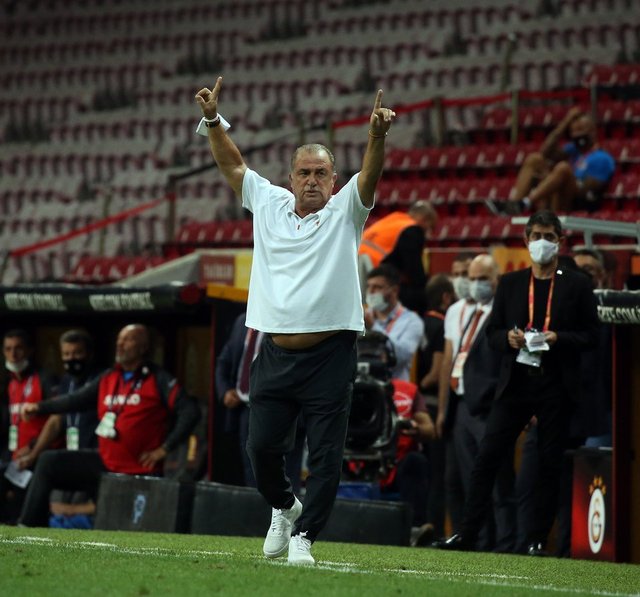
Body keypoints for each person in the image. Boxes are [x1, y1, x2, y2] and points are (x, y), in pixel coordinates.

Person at [195, 77, 396, 565]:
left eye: (320, 173)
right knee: (260, 448)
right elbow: (233, 165)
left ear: (334, 180)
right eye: (304, 172)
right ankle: (285, 507)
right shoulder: (267, 203)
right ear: (290, 178)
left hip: (331, 354)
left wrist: (375, 137)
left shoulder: (347, 211)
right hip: (275, 352)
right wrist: (214, 121)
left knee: (326, 454)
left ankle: (305, 536)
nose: (311, 180)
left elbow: (369, 177)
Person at [434, 210, 600, 556]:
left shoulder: (577, 284)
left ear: (560, 241)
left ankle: (536, 539)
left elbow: (591, 336)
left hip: (556, 385)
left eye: (549, 236)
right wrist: (508, 339)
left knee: (549, 465)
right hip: (516, 384)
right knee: (487, 457)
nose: (542, 242)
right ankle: (467, 533)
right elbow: (492, 333)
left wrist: (558, 337)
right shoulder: (511, 284)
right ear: (526, 240)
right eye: (536, 235)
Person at [18, 324, 201, 527]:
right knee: (48, 461)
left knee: (126, 531)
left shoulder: (158, 378)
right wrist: (39, 407)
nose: (120, 345)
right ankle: (28, 527)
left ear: (143, 347)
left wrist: (164, 449)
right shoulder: (109, 377)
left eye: (127, 340)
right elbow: (74, 400)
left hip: (139, 470)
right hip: (105, 462)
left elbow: (190, 412)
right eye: (118, 340)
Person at [442, 254, 516, 552]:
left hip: (489, 404)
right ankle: (479, 540)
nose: (475, 284)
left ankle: (507, 542)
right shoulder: (468, 312)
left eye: (482, 279)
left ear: (497, 280)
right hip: (462, 402)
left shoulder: (506, 311)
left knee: (498, 479)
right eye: (472, 278)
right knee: (470, 479)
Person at [16, 329, 100, 527]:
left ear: (89, 354)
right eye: (67, 354)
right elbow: (55, 421)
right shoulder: (66, 382)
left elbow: (75, 401)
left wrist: (39, 407)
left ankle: (28, 525)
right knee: (54, 502)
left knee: (81, 510)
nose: (72, 359)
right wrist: (33, 454)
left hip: (95, 454)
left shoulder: (100, 380)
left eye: (77, 353)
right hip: (72, 454)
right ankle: (27, 529)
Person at [215, 313, 305, 493]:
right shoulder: (242, 321)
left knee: (284, 476)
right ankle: (257, 509)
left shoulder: (289, 318)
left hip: (281, 412)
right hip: (245, 409)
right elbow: (224, 361)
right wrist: (225, 390)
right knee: (252, 475)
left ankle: (287, 510)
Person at [503, 108, 615, 214]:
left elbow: (587, 190)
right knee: (535, 159)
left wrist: (557, 179)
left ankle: (526, 202)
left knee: (563, 168)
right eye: (573, 131)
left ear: (592, 131)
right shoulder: (573, 150)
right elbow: (545, 152)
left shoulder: (602, 158)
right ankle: (514, 206)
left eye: (581, 129)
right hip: (558, 197)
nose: (577, 135)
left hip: (579, 203)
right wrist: (565, 123)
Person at [0, 329, 58, 524]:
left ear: (30, 350)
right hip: (14, 459)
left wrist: (33, 448)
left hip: (38, 458)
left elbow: (57, 420)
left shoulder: (44, 378)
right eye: (8, 349)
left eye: (18, 348)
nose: (13, 354)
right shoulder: (9, 382)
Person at [415, 273, 455, 543]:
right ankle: (436, 528)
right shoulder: (442, 325)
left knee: (423, 470)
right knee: (438, 473)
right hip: (430, 403)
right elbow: (438, 371)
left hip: (414, 405)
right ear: (446, 297)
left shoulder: (419, 322)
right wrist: (421, 385)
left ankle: (420, 523)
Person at [359, 200, 438, 312]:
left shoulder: (394, 219)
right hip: (375, 273)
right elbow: (415, 271)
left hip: (357, 269)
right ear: (425, 219)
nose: (428, 233)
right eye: (431, 227)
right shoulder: (412, 230)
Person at [365, 264, 425, 381]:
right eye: (369, 286)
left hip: (394, 387)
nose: (371, 291)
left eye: (377, 287)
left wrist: (373, 327)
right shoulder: (361, 316)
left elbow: (401, 356)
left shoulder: (412, 321)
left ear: (394, 290)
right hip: (361, 385)